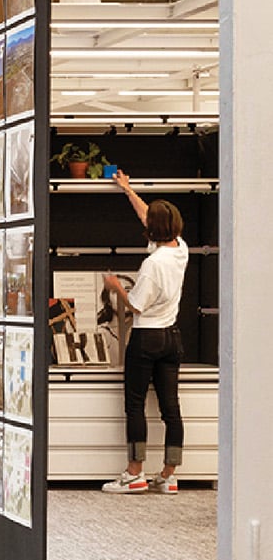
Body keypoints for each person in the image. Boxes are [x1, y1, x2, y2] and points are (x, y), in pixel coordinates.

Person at [100, 172, 189, 496]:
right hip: (172, 338)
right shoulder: (180, 249)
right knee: (171, 408)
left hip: (146, 338)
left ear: (153, 231)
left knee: (135, 405)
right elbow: (147, 215)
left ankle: (134, 473)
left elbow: (136, 305)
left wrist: (116, 287)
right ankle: (168, 475)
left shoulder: (152, 265)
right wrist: (128, 190)